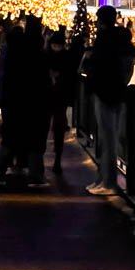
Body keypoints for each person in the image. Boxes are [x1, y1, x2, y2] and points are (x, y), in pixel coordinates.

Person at [0, 16, 51, 190]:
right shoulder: (37, 51)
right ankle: (35, 175)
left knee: (11, 138)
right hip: (33, 102)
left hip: (13, 101)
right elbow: (43, 80)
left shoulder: (13, 51)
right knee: (34, 140)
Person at [82, 6, 135, 195]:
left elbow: (97, 65)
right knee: (110, 138)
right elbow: (128, 65)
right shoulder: (124, 41)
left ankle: (108, 181)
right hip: (118, 92)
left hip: (104, 92)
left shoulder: (104, 40)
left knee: (107, 139)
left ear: (102, 20)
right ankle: (103, 178)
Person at [45, 26, 82, 177]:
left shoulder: (48, 57)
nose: (56, 48)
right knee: (55, 127)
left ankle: (57, 158)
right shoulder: (65, 58)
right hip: (56, 98)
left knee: (56, 128)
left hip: (55, 98)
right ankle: (56, 159)